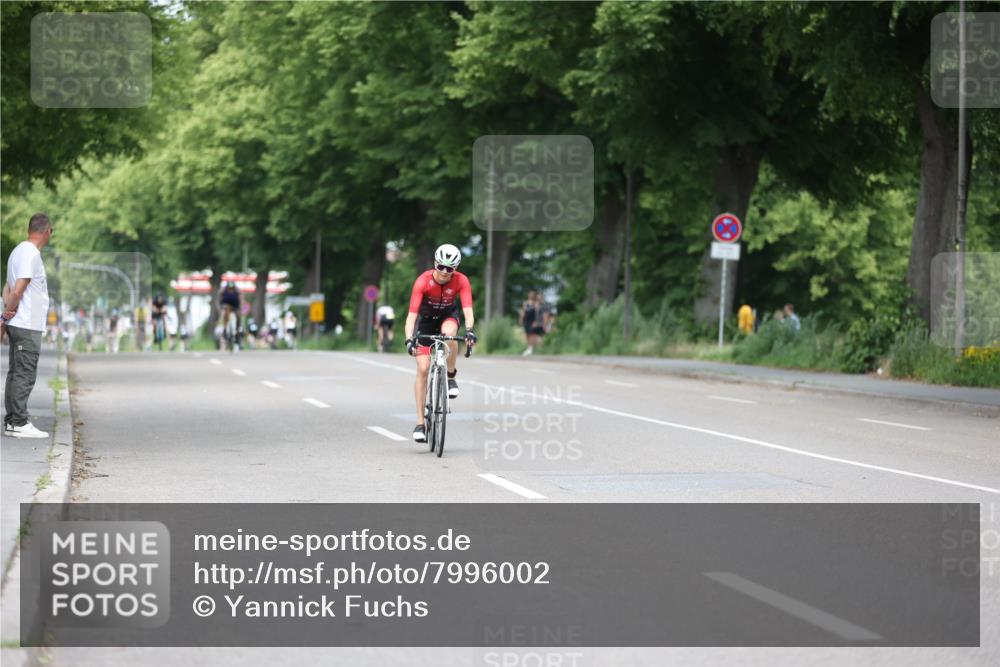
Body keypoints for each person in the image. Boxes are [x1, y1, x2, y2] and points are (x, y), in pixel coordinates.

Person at [403, 243, 476, 443]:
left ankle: (451, 376)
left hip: (448, 317)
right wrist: (409, 340)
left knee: (450, 334)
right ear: (435, 264)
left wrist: (470, 331)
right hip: (425, 322)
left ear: (456, 268)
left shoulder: (461, 281)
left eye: (450, 269)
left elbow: (468, 310)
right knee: (423, 368)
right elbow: (411, 316)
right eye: (441, 267)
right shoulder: (422, 282)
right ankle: (420, 423)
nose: (444, 272)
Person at [2, 213, 54, 438]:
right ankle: (20, 422)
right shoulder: (31, 254)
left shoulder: (17, 252)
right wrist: (8, 312)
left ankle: (13, 421)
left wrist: (6, 317)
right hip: (27, 325)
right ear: (47, 231)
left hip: (19, 322)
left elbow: (6, 287)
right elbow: (17, 290)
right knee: (24, 373)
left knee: (15, 372)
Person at [218, 281, 242, 350]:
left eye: (232, 288)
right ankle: (225, 329)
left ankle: (237, 329)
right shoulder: (224, 291)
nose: (230, 290)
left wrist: (240, 308)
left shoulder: (237, 292)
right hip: (226, 306)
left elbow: (240, 300)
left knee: (238, 316)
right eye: (229, 288)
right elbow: (220, 297)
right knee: (225, 313)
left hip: (235, 306)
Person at [519, 291, 545, 355]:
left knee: (532, 334)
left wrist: (536, 321)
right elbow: (523, 311)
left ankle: (531, 348)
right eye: (530, 294)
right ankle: (529, 347)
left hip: (532, 321)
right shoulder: (525, 303)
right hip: (526, 320)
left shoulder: (535, 303)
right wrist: (521, 319)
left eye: (532, 295)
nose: (531, 296)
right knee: (527, 334)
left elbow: (537, 313)